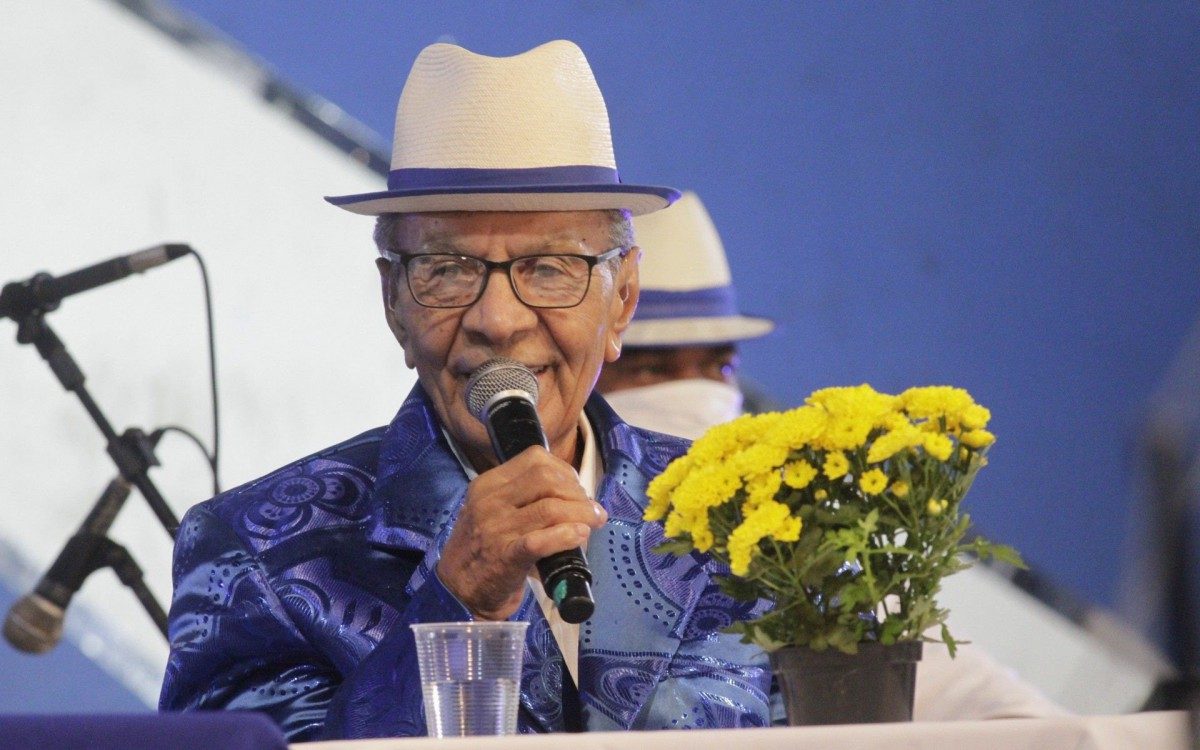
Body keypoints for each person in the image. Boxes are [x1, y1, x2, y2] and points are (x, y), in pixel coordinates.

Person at [159, 41, 772, 741]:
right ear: (394, 302)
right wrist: (459, 607)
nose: (497, 320)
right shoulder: (256, 547)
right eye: (447, 270)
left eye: (548, 268)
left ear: (623, 299)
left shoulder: (746, 526)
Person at [597, 190, 1067, 721]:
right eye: (652, 370)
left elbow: (1003, 710)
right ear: (598, 353)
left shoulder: (807, 539)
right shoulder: (546, 528)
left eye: (718, 368)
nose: (694, 395)